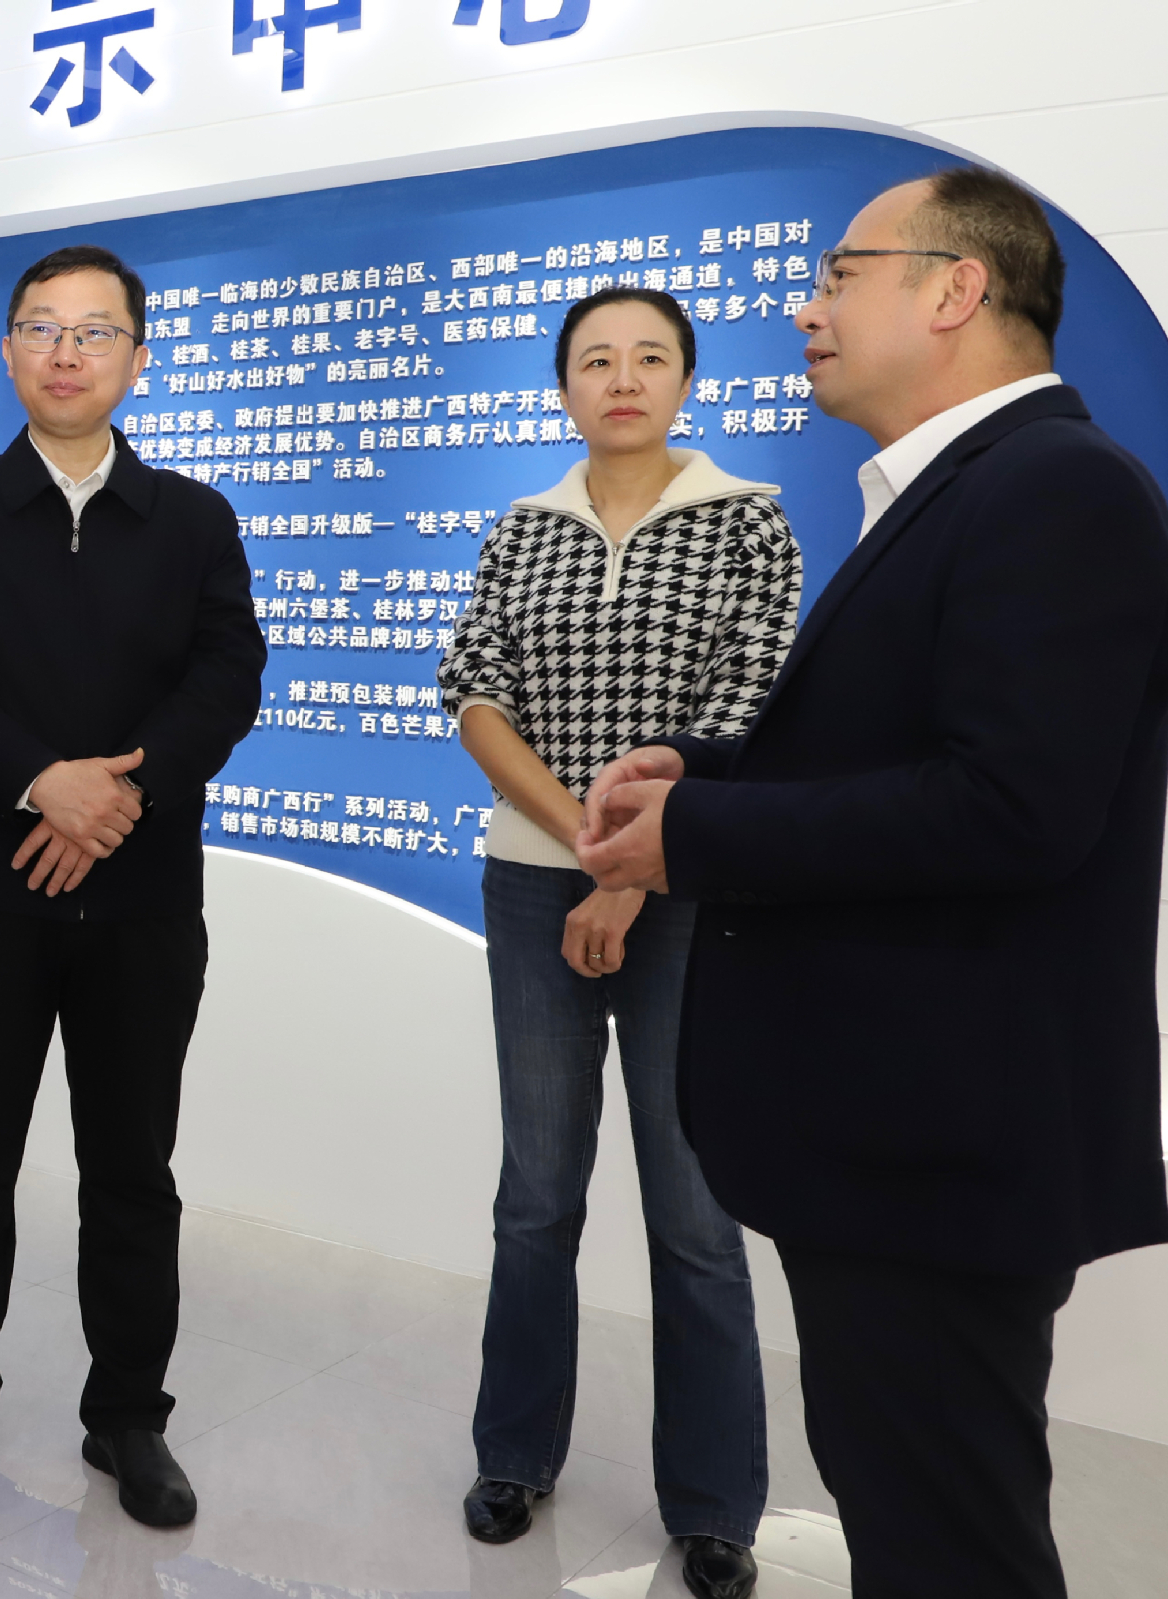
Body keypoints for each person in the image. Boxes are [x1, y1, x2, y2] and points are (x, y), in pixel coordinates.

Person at [578, 168, 1168, 1598]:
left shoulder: (1054, 488)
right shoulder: (961, 489)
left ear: (954, 288)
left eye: (838, 274)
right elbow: (903, 755)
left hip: (938, 1139)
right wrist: (703, 772)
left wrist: (696, 838)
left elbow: (1011, 809)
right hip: (898, 1130)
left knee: (946, 1538)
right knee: (908, 1506)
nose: (806, 308)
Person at [0, 244, 266, 1528]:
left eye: (94, 331)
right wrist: (41, 782)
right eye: (42, 328)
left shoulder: (193, 520)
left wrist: (117, 800)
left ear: (136, 359)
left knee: (131, 1170)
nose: (66, 352)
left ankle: (127, 1420)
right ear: (7, 353)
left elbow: (227, 679)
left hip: (141, 902)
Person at [437, 287, 797, 1599]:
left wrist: (638, 872)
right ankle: (512, 1453)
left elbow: (747, 708)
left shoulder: (747, 522)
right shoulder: (521, 528)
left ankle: (711, 1503)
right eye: (595, 359)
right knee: (534, 1194)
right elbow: (473, 691)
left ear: (685, 380)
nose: (622, 377)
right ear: (563, 388)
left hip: (690, 892)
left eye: (648, 356)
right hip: (536, 885)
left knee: (693, 1211)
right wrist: (590, 846)